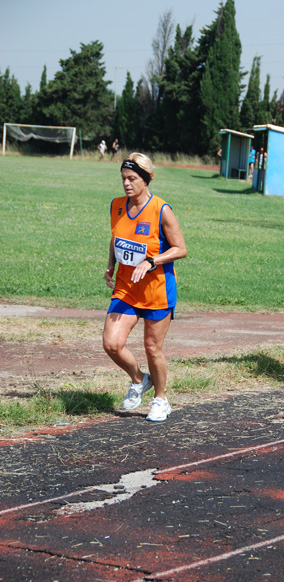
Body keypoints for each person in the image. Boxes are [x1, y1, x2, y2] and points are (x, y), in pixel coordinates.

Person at [103, 152, 187, 421]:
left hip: (157, 290)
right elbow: (116, 238)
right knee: (111, 343)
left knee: (152, 348)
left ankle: (161, 400)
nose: (127, 184)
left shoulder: (161, 209)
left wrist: (152, 261)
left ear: (147, 179)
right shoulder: (117, 205)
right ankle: (139, 379)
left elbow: (180, 249)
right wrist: (110, 265)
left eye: (133, 178)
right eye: (124, 178)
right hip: (126, 288)